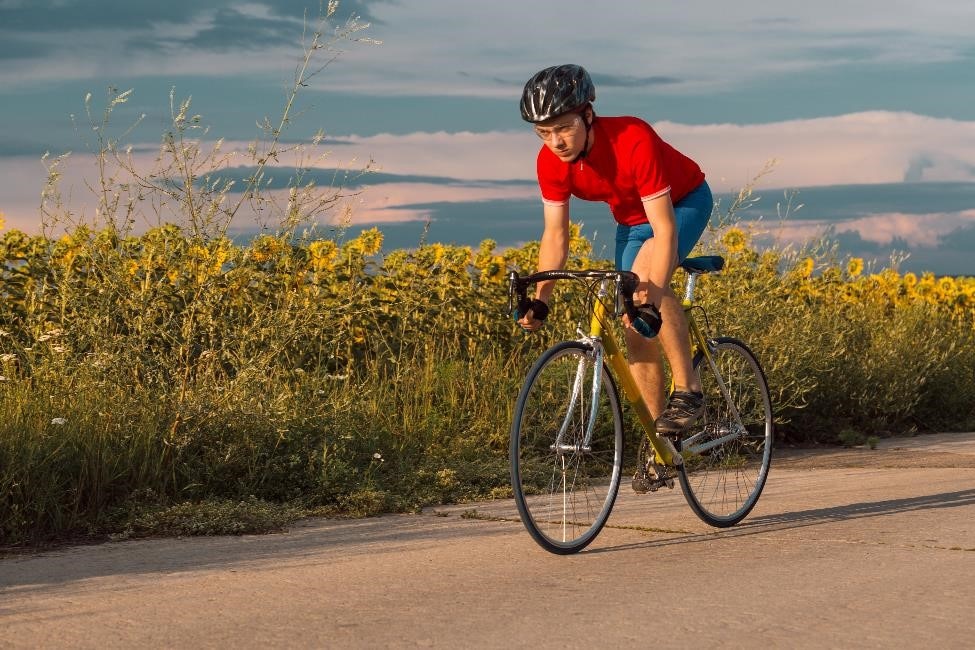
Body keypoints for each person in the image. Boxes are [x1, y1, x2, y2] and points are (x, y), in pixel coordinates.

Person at [515, 63, 712, 436]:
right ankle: (662, 444)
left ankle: (688, 390)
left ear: (588, 115)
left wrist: (652, 296)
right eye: (543, 132)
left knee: (643, 292)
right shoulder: (551, 162)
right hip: (630, 221)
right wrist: (542, 299)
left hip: (682, 203)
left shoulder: (632, 138)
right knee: (633, 327)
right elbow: (556, 235)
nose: (555, 142)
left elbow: (664, 229)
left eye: (564, 128)